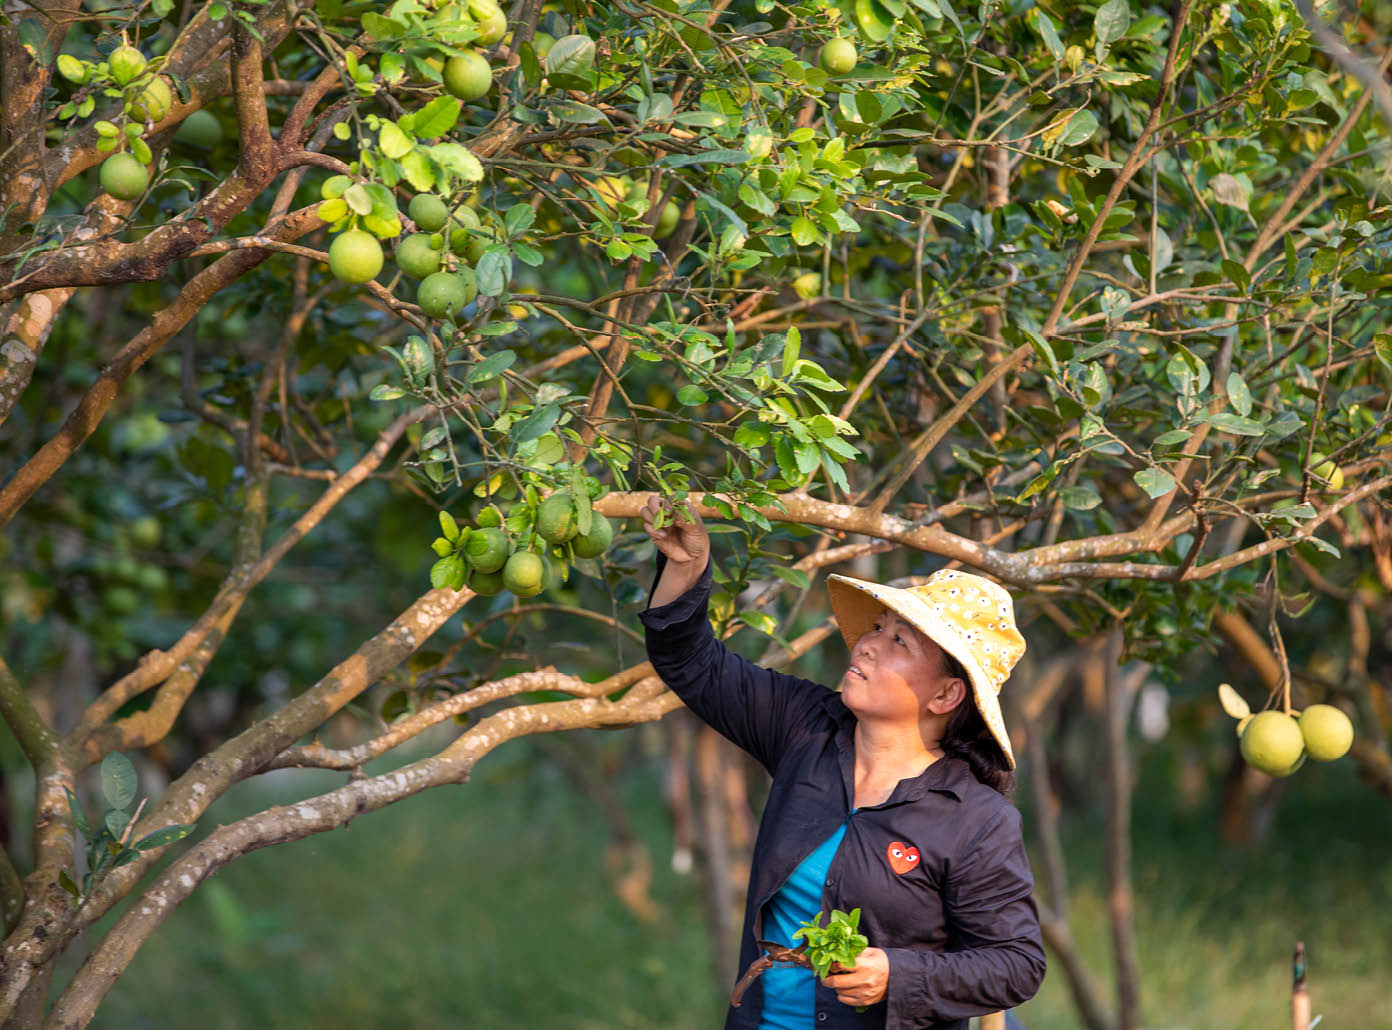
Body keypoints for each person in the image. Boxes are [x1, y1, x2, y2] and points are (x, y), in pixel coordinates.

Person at [638, 497, 1046, 1030]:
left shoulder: (975, 819)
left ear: (946, 695)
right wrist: (688, 565)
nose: (869, 645)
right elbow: (692, 663)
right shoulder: (806, 728)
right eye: (877, 627)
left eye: (899, 641)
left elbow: (1016, 964)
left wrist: (897, 974)